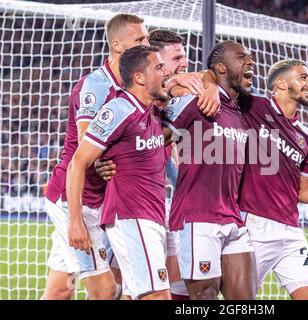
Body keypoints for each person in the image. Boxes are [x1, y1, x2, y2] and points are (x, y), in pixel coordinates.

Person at [94, 29, 220, 300]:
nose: (184, 65)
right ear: (153, 64)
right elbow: (92, 145)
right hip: (121, 206)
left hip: (153, 206)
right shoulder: (121, 99)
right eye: (175, 59)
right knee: (110, 289)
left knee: (142, 288)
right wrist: (97, 163)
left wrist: (209, 87)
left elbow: (211, 76)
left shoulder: (161, 104)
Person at [42, 13, 150, 300]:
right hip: (72, 198)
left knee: (60, 290)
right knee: (104, 288)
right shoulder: (96, 86)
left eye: (146, 38)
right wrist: (75, 218)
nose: (146, 43)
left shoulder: (134, 85)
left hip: (98, 199)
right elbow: (86, 141)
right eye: (139, 39)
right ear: (117, 45)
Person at [67, 45, 171, 300]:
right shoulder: (118, 110)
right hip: (131, 216)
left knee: (129, 294)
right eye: (158, 67)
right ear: (139, 77)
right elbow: (77, 163)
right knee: (157, 296)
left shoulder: (151, 112)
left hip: (150, 216)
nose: (165, 72)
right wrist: (75, 221)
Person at [162, 40, 257, 300]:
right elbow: (155, 137)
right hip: (196, 216)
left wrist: (210, 83)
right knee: (204, 298)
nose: (250, 61)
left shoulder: (242, 109)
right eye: (241, 57)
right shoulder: (194, 101)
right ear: (221, 67)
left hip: (232, 217)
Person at [238, 59, 308, 299]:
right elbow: (219, 89)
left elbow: (303, 190)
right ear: (281, 83)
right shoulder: (254, 106)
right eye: (303, 77)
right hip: (256, 227)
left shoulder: (307, 137)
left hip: (291, 232)